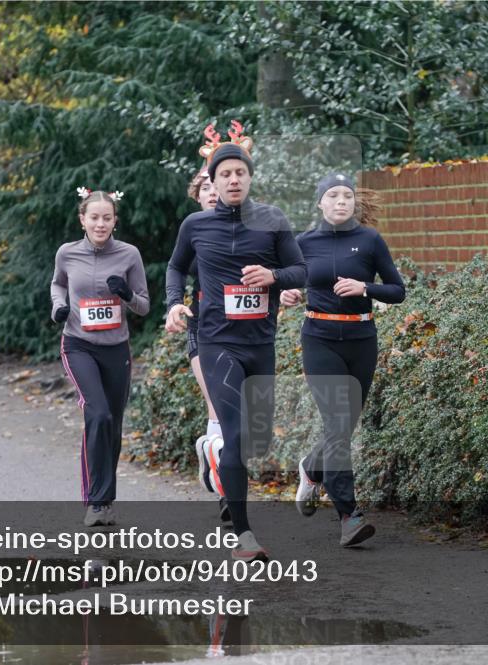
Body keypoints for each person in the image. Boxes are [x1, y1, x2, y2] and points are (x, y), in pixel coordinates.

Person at [165, 121, 307, 562]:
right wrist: (174, 304)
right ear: (211, 180)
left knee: (255, 438)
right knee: (236, 432)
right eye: (223, 174)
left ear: (249, 178)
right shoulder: (195, 225)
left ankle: (216, 457)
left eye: (239, 173)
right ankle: (243, 536)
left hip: (260, 342)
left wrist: (273, 276)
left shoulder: (273, 221)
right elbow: (175, 269)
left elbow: (302, 271)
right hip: (216, 341)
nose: (232, 180)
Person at [280, 173, 405, 547]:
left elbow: (398, 290)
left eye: (346, 196)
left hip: (362, 338)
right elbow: (286, 283)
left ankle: (311, 467)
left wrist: (365, 287)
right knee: (337, 420)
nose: (340, 202)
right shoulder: (303, 243)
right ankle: (349, 515)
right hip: (319, 338)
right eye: (332, 196)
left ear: (354, 203)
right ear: (320, 203)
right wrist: (287, 294)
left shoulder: (369, 240)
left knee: (344, 426)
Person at [51, 188, 150, 527]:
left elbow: (144, 305)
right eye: (94, 217)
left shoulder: (129, 255)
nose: (100, 223)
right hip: (78, 344)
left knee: (114, 424)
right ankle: (95, 501)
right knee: (98, 414)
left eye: (107, 218)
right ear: (82, 219)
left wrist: (125, 295)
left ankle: (106, 501)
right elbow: (58, 285)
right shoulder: (67, 253)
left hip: (116, 348)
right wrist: (59, 307)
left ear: (114, 221)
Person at [184, 169, 225, 501]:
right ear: (197, 195)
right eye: (205, 188)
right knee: (216, 401)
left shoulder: (247, 228)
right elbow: (177, 268)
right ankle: (225, 486)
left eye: (216, 186)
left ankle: (210, 452)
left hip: (241, 329)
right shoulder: (194, 230)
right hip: (202, 327)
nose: (211, 192)